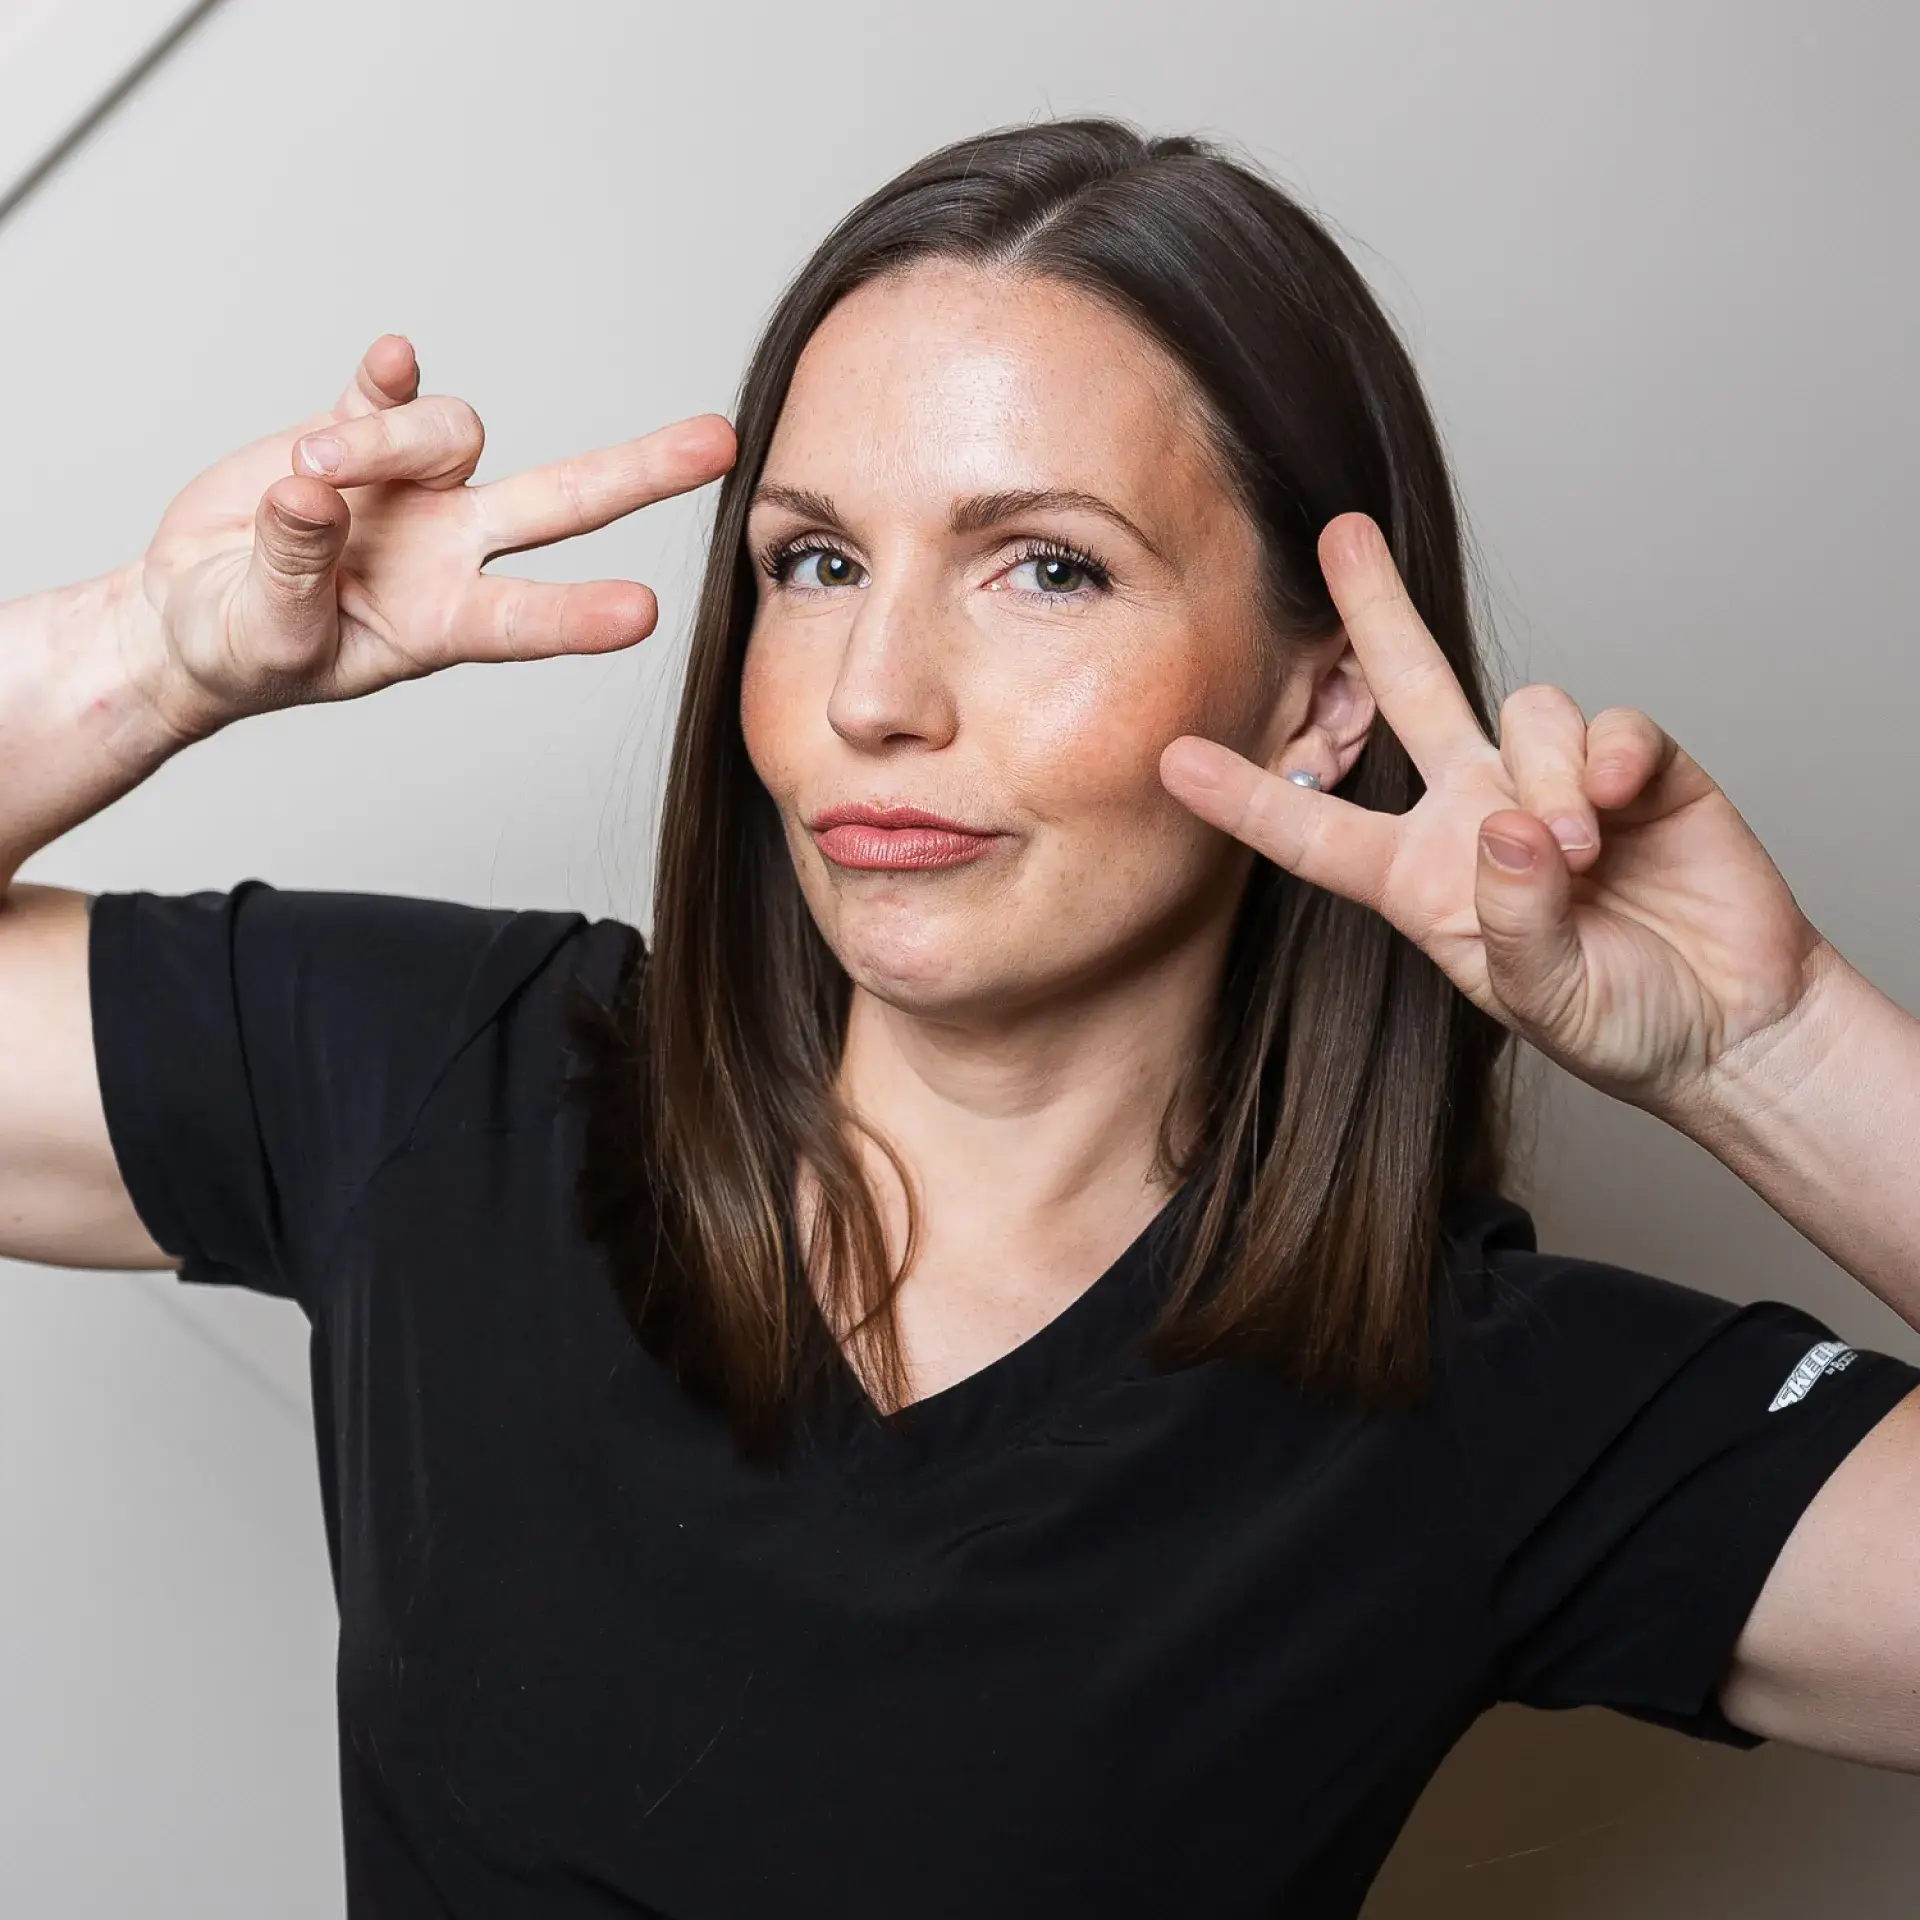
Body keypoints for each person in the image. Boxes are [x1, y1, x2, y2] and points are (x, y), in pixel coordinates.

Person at [2, 119, 1916, 1919]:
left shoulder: (1470, 1395)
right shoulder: (453, 1077)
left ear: (1321, 706)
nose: (874, 691)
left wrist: (1780, 1054)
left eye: (1045, 566)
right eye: (815, 563)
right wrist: (150, 658)